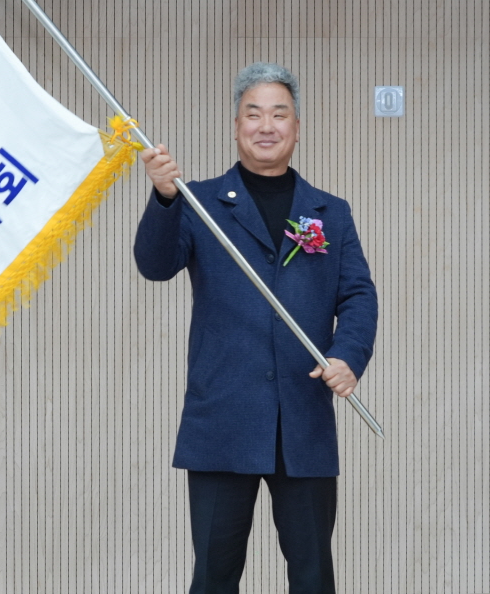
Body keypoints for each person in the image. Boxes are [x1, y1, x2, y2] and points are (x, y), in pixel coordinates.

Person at [134, 62, 378, 593]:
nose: (266, 125)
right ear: (236, 124)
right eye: (254, 113)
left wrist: (348, 356)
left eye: (279, 113)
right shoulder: (197, 200)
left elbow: (357, 294)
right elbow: (154, 265)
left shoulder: (328, 214)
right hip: (222, 419)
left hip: (304, 421)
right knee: (215, 575)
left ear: (296, 126)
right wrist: (164, 198)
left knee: (313, 574)